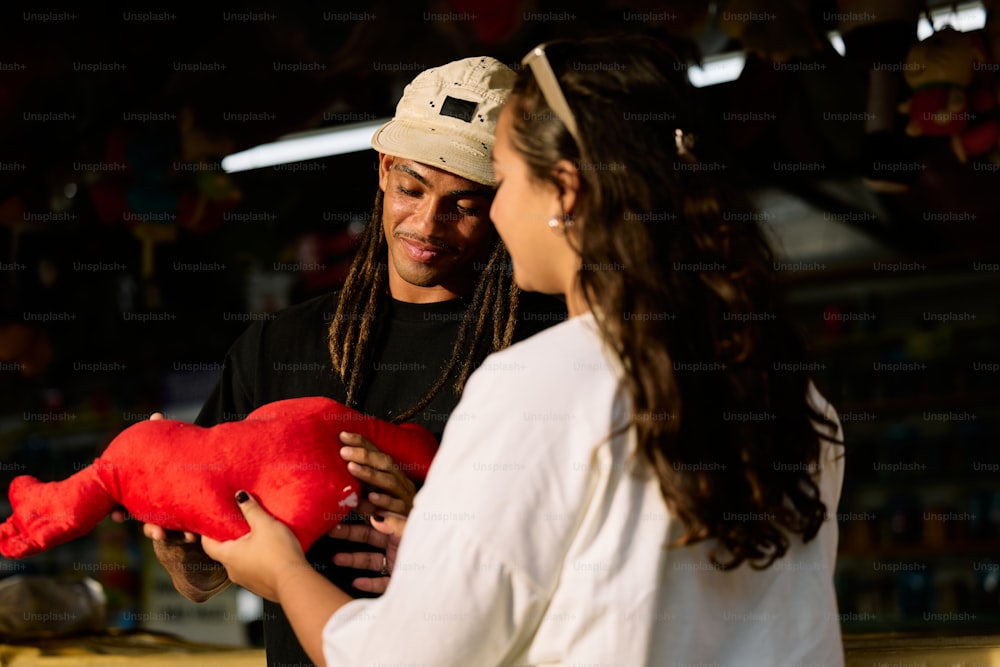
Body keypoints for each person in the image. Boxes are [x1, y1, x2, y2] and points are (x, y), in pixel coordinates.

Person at [202, 32, 847, 666]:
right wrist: (441, 551)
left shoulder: (539, 382)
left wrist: (284, 572)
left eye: (498, 184)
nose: (483, 213)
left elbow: (405, 659)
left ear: (563, 191)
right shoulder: (782, 386)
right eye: (415, 188)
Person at [146, 55, 567, 667]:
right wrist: (182, 548)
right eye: (412, 188)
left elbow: (578, 578)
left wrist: (430, 529)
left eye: (466, 204)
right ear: (384, 171)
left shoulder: (543, 355)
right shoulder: (277, 348)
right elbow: (204, 580)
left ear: (505, 202)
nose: (428, 224)